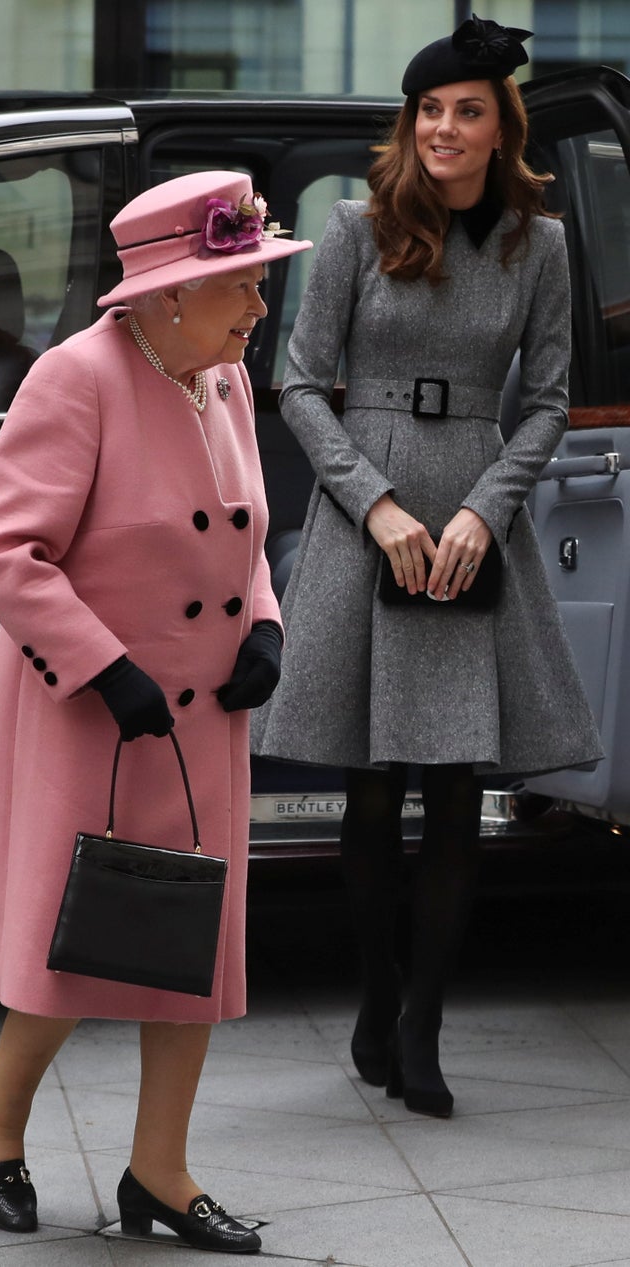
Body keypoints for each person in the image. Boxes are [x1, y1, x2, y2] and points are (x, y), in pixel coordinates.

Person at [252, 15, 603, 1119]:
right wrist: (379, 508)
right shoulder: (356, 228)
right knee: (369, 787)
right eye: (431, 111)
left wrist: (486, 514)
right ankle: (375, 989)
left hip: (472, 500)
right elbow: (300, 385)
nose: (445, 128)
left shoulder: (538, 245)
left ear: (503, 130)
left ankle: (423, 1025)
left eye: (468, 111)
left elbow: (544, 401)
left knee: (457, 793)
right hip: (374, 503)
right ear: (412, 124)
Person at [0, 170, 311, 1250]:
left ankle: (160, 1170)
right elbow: (6, 552)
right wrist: (105, 669)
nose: (259, 306)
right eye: (242, 282)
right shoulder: (77, 379)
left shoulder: (225, 377)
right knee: (76, 939)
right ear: (167, 293)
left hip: (202, 715)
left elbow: (243, 540)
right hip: (89, 708)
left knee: (191, 937)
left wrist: (263, 623)